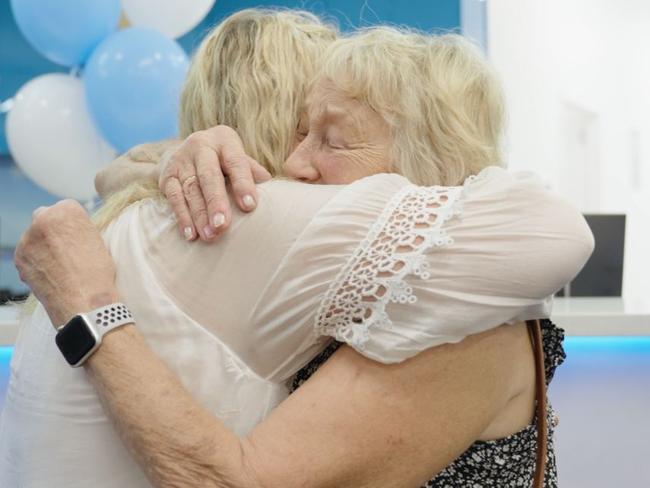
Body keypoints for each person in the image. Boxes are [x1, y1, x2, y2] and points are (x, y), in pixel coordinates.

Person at [6, 19, 593, 488]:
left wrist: (93, 310)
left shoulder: (467, 328)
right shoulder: (381, 293)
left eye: (331, 139)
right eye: (298, 131)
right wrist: (173, 156)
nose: (293, 165)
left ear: (428, 165)